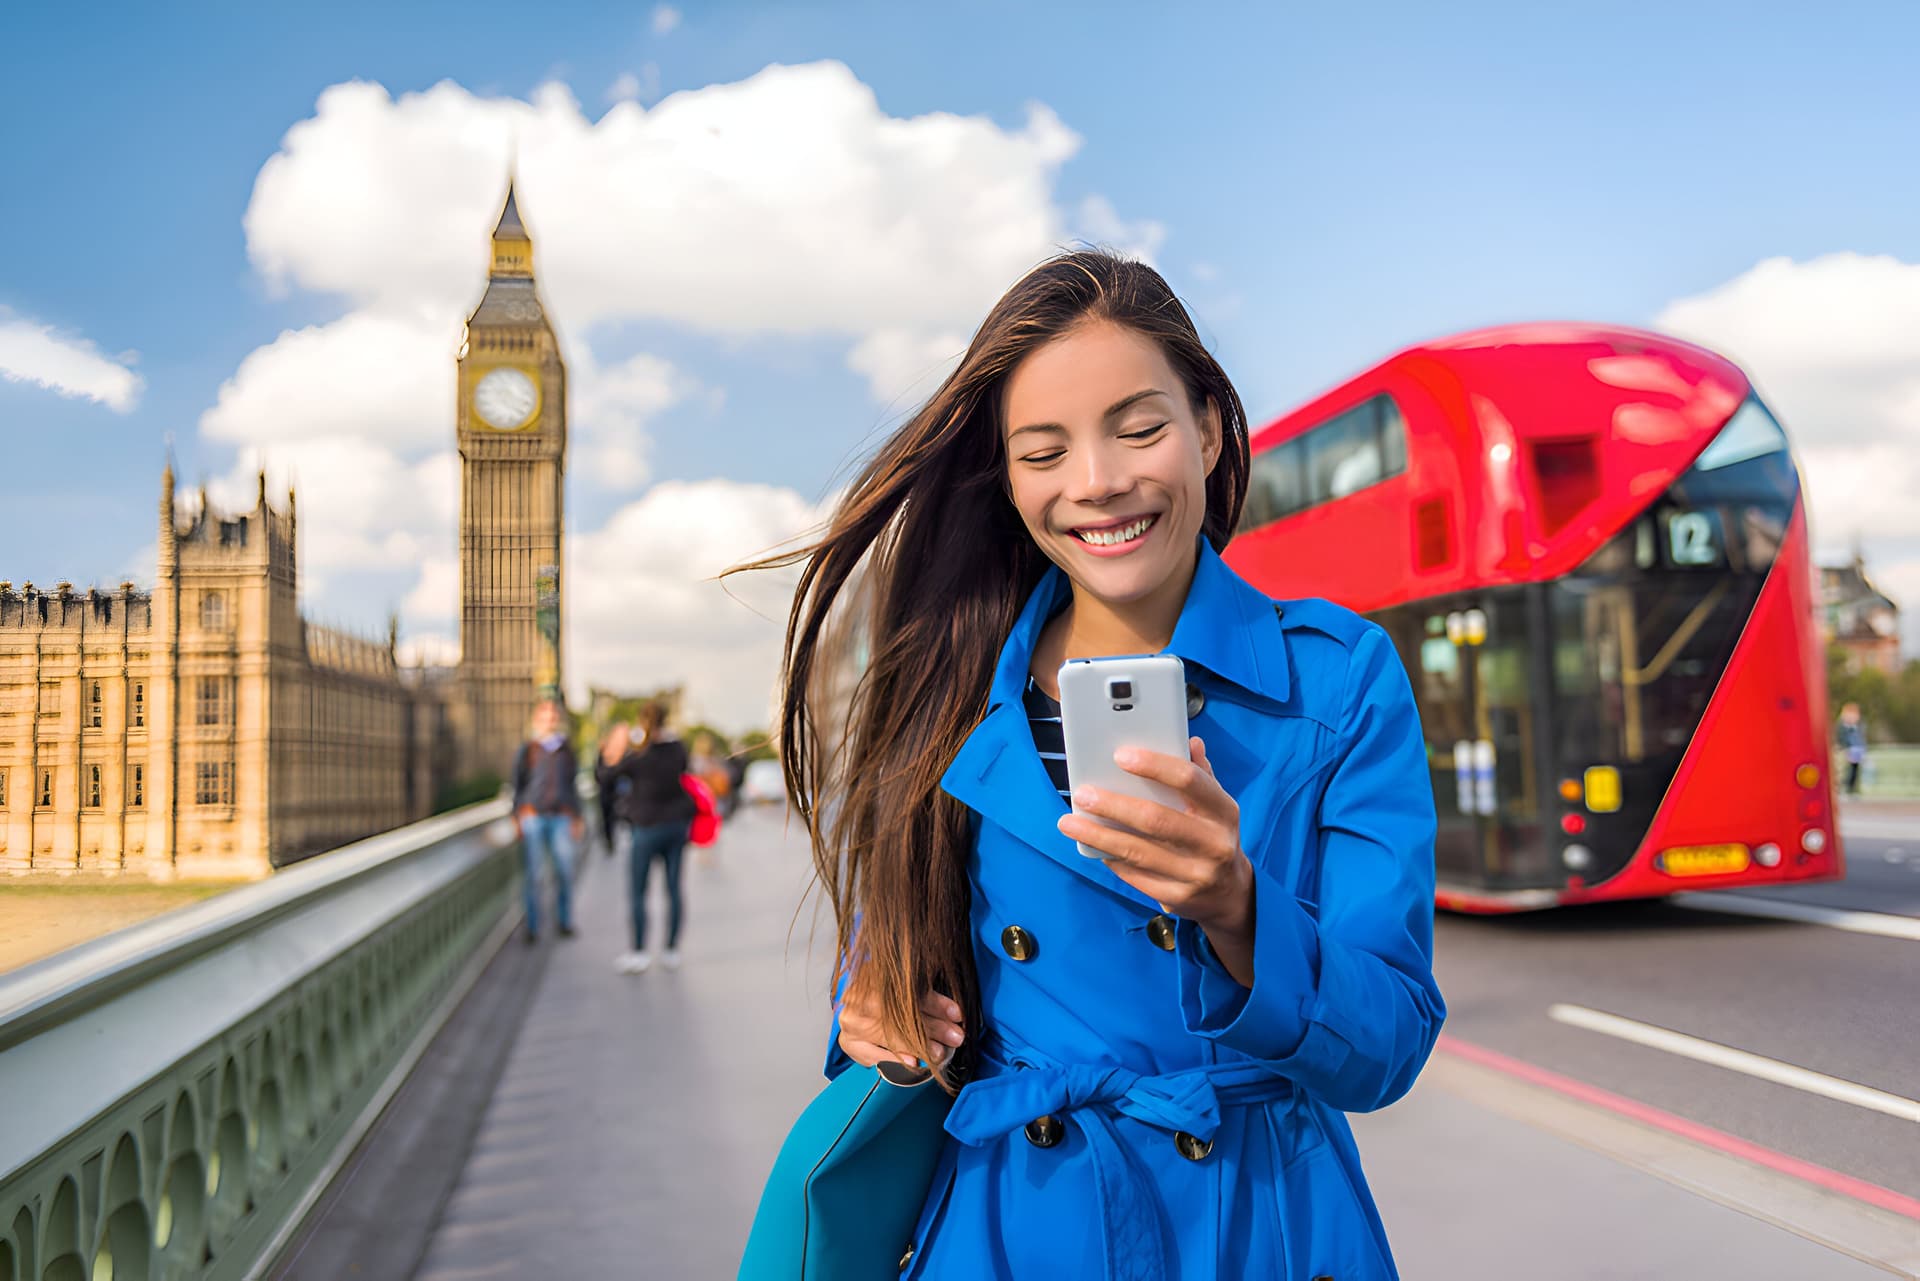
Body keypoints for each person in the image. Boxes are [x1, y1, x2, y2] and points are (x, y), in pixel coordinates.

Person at [741, 251, 1444, 1278]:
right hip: (1013, 1229)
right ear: (1008, 478)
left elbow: (1388, 1048)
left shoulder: (1339, 679)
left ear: (1209, 429)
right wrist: (871, 1010)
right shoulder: (945, 685)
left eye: (1139, 428)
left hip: (1259, 1230)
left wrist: (1240, 909)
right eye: (1044, 451)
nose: (1097, 481)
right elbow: (894, 959)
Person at [607, 700, 697, 974]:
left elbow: (606, 776)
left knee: (638, 890)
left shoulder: (639, 755)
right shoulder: (677, 748)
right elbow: (686, 771)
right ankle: (671, 949)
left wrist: (618, 746)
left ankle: (639, 951)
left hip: (646, 827)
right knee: (674, 888)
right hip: (676, 826)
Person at [510, 697, 583, 944]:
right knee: (534, 874)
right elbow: (517, 785)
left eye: (552, 717)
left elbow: (573, 785)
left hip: (561, 816)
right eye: (544, 718)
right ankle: (533, 926)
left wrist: (577, 817)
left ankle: (564, 920)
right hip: (533, 817)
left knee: (564, 870)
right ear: (536, 720)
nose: (548, 722)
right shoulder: (528, 749)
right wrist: (517, 817)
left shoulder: (566, 750)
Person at [595, 722, 635, 857]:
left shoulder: (631, 754)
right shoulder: (605, 752)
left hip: (628, 803)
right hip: (609, 800)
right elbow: (599, 776)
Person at [1838, 701, 1868, 796]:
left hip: (1857, 749)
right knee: (1845, 769)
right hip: (1847, 749)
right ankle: (1843, 787)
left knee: (1855, 769)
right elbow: (1841, 737)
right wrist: (1845, 747)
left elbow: (1861, 737)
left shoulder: (1859, 725)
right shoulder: (1843, 726)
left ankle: (1853, 788)